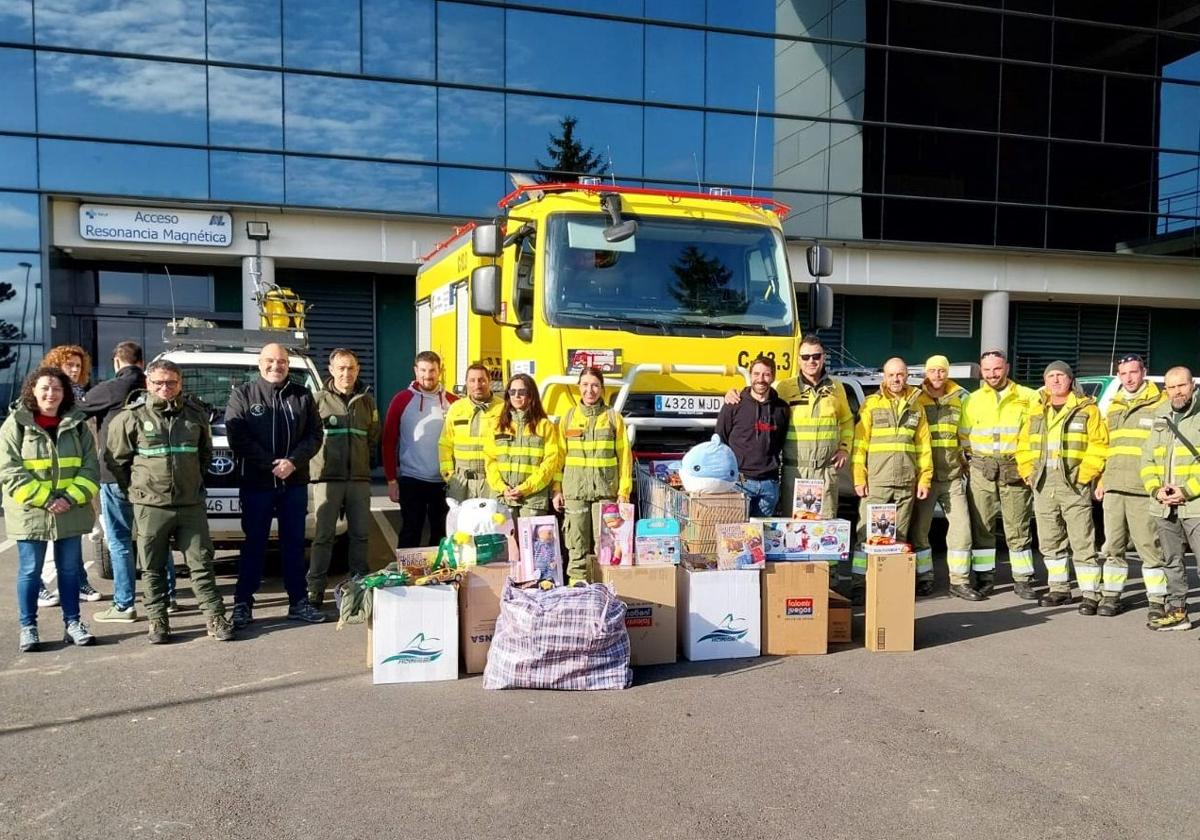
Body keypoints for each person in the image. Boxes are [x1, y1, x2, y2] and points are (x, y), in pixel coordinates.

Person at [105, 360, 234, 643]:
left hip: (190, 505)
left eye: (171, 383)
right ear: (148, 384)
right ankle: (158, 621)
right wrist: (137, 490)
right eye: (158, 383)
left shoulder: (195, 415)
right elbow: (116, 461)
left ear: (180, 384)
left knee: (201, 564)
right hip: (151, 506)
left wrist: (192, 485)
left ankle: (215, 617)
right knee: (152, 567)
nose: (165, 388)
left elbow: (204, 456)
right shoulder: (131, 418)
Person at [724, 335, 852, 585]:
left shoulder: (836, 389)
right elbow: (758, 397)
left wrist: (845, 448)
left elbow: (846, 421)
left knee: (825, 527)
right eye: (806, 357)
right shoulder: (785, 388)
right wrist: (733, 393)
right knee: (793, 528)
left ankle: (828, 582)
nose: (811, 361)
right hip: (795, 471)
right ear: (799, 360)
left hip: (825, 472)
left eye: (816, 356)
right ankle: (796, 581)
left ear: (824, 357)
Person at [225, 343, 325, 628]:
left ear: (288, 364)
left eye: (281, 361)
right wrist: (272, 464)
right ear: (259, 363)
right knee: (254, 544)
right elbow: (238, 436)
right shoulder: (243, 395)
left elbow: (315, 435)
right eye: (270, 361)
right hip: (257, 484)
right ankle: (243, 603)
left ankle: (298, 602)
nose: (276, 366)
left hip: (294, 483)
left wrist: (292, 462)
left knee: (293, 545)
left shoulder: (302, 395)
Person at [2, 367, 99, 651]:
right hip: (30, 511)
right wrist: (46, 499)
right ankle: (28, 627)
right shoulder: (15, 424)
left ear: (64, 393)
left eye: (56, 389)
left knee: (69, 570)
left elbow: (90, 468)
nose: (50, 394)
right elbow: (9, 471)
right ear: (32, 390)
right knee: (30, 571)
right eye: (44, 387)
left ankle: (73, 623)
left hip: (70, 510)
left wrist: (68, 499)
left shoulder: (78, 424)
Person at [1016, 361, 1108, 609]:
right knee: (1050, 539)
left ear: (1070, 380)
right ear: (1045, 381)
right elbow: (1023, 444)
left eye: (1060, 376)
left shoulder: (1087, 409)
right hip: (1043, 482)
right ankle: (1059, 589)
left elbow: (1099, 444)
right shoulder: (1036, 409)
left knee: (1082, 539)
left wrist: (1085, 475)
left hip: (1073, 482)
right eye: (1050, 376)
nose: (1055, 380)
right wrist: (1027, 472)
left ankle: (1090, 593)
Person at [83, 341, 154, 625]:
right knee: (155, 538)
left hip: (114, 475)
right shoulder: (156, 385)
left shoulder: (109, 389)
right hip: (151, 476)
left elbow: (75, 411)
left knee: (120, 541)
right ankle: (167, 597)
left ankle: (124, 604)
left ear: (116, 362)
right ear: (142, 362)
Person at [958, 350, 1039, 599]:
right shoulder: (972, 400)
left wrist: (1029, 466)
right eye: (987, 370)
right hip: (982, 469)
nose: (992, 374)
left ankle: (1023, 580)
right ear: (981, 371)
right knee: (983, 526)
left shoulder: (1028, 397)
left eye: (997, 369)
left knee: (1018, 526)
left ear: (1007, 367)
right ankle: (985, 578)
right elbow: (963, 436)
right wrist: (970, 461)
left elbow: (1035, 436)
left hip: (1014, 468)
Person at [850, 357, 932, 601]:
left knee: (898, 538)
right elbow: (860, 445)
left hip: (906, 482)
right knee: (866, 538)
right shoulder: (871, 405)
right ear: (883, 377)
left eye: (900, 374)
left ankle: (892, 584)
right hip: (876, 483)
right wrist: (858, 477)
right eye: (891, 375)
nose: (896, 379)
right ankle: (859, 584)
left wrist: (924, 479)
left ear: (906, 376)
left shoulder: (916, 406)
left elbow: (924, 446)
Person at [307, 348, 380, 607]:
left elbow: (373, 437)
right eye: (341, 368)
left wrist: (364, 465)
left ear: (357, 369)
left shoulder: (367, 402)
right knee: (323, 537)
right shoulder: (317, 401)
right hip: (327, 479)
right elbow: (308, 438)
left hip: (358, 479)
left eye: (351, 368)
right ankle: (315, 589)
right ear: (332, 370)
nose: (346, 373)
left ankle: (359, 587)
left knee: (360, 535)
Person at [1094, 354, 1165, 618]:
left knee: (1149, 548)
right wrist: (1101, 479)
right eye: (1123, 374)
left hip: (1143, 488)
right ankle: (1111, 596)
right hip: (1113, 485)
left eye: (1133, 372)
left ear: (1144, 372)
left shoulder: (1160, 403)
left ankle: (1157, 600)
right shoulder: (1113, 405)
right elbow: (1106, 446)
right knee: (1113, 546)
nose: (1129, 378)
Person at [551, 367, 632, 585]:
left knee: (605, 545)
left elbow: (624, 456)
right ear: (579, 387)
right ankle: (577, 589)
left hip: (606, 492)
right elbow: (559, 457)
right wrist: (557, 489)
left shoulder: (613, 419)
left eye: (595, 385)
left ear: (602, 389)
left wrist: (624, 492)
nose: (590, 390)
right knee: (576, 544)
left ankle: (602, 587)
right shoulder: (568, 418)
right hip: (574, 492)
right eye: (585, 385)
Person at [908, 355, 979, 600]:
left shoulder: (961, 399)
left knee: (962, 531)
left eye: (941, 371)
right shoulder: (915, 398)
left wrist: (967, 460)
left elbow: (967, 434)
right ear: (926, 373)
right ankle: (924, 578)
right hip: (924, 478)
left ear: (947, 373)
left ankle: (959, 582)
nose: (937, 375)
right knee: (919, 532)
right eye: (932, 371)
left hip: (952, 477)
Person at [37, 344, 101, 606]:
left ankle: (78, 580)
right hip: (44, 479)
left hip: (73, 478)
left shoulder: (78, 397)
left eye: (78, 365)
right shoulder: (44, 395)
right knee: (42, 537)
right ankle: (40, 585)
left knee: (70, 535)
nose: (74, 370)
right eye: (69, 365)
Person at [1140, 366, 1200, 631]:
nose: (1177, 392)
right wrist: (1156, 490)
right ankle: (1178, 613)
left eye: (1182, 386)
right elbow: (1147, 459)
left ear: (1193, 385)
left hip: (1195, 505)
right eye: (1172, 387)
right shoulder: (1160, 415)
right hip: (1164, 506)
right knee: (1171, 562)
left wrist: (1185, 491)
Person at [383, 351, 456, 547]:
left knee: (442, 534)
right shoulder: (402, 399)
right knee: (410, 532)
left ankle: (439, 576)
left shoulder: (454, 402)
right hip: (411, 480)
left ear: (439, 371)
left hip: (443, 481)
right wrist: (391, 480)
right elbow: (388, 441)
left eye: (432, 370)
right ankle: (405, 576)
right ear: (415, 371)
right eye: (423, 370)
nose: (428, 375)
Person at [715, 355, 789, 519]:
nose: (760, 379)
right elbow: (720, 441)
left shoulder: (782, 409)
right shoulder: (733, 405)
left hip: (769, 486)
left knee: (762, 539)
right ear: (750, 376)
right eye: (756, 374)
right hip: (740, 484)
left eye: (766, 374)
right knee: (735, 537)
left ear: (773, 377)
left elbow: (781, 442)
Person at [485, 373, 562, 521]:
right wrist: (502, 487)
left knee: (531, 543)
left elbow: (550, 463)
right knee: (505, 542)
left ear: (531, 394)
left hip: (533, 499)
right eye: (512, 392)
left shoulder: (544, 426)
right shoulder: (496, 425)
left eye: (522, 392)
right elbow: (490, 460)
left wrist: (525, 488)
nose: (517, 396)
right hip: (503, 496)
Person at [439, 362, 501, 502]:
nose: (477, 385)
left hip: (492, 482)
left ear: (489, 381)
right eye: (472, 380)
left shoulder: (502, 409)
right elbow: (445, 444)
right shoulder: (456, 409)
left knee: (491, 523)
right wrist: (450, 476)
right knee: (462, 524)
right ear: (466, 383)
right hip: (461, 483)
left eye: (482, 380)